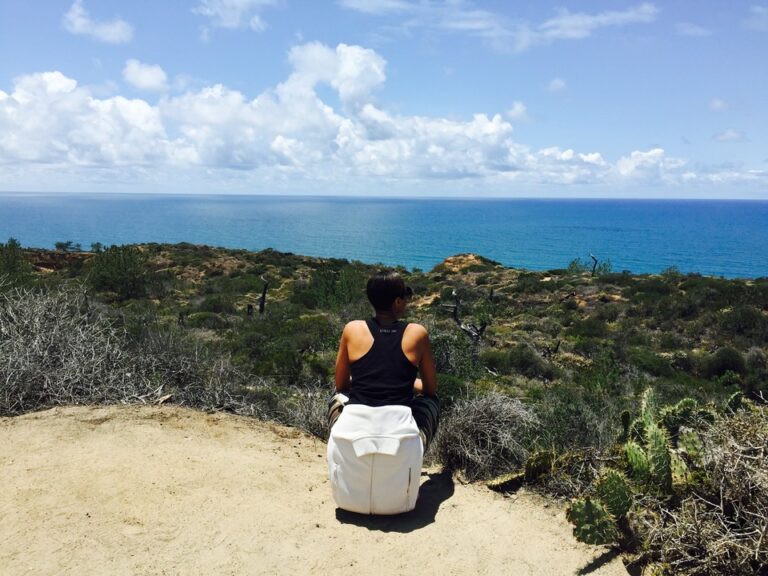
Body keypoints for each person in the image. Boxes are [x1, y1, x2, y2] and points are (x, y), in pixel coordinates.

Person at [326, 271, 440, 515]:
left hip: (346, 497)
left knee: (336, 400)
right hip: (401, 502)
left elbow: (341, 385)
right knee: (432, 402)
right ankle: (413, 461)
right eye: (405, 296)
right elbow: (430, 389)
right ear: (397, 302)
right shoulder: (417, 333)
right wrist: (407, 383)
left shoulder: (352, 329)